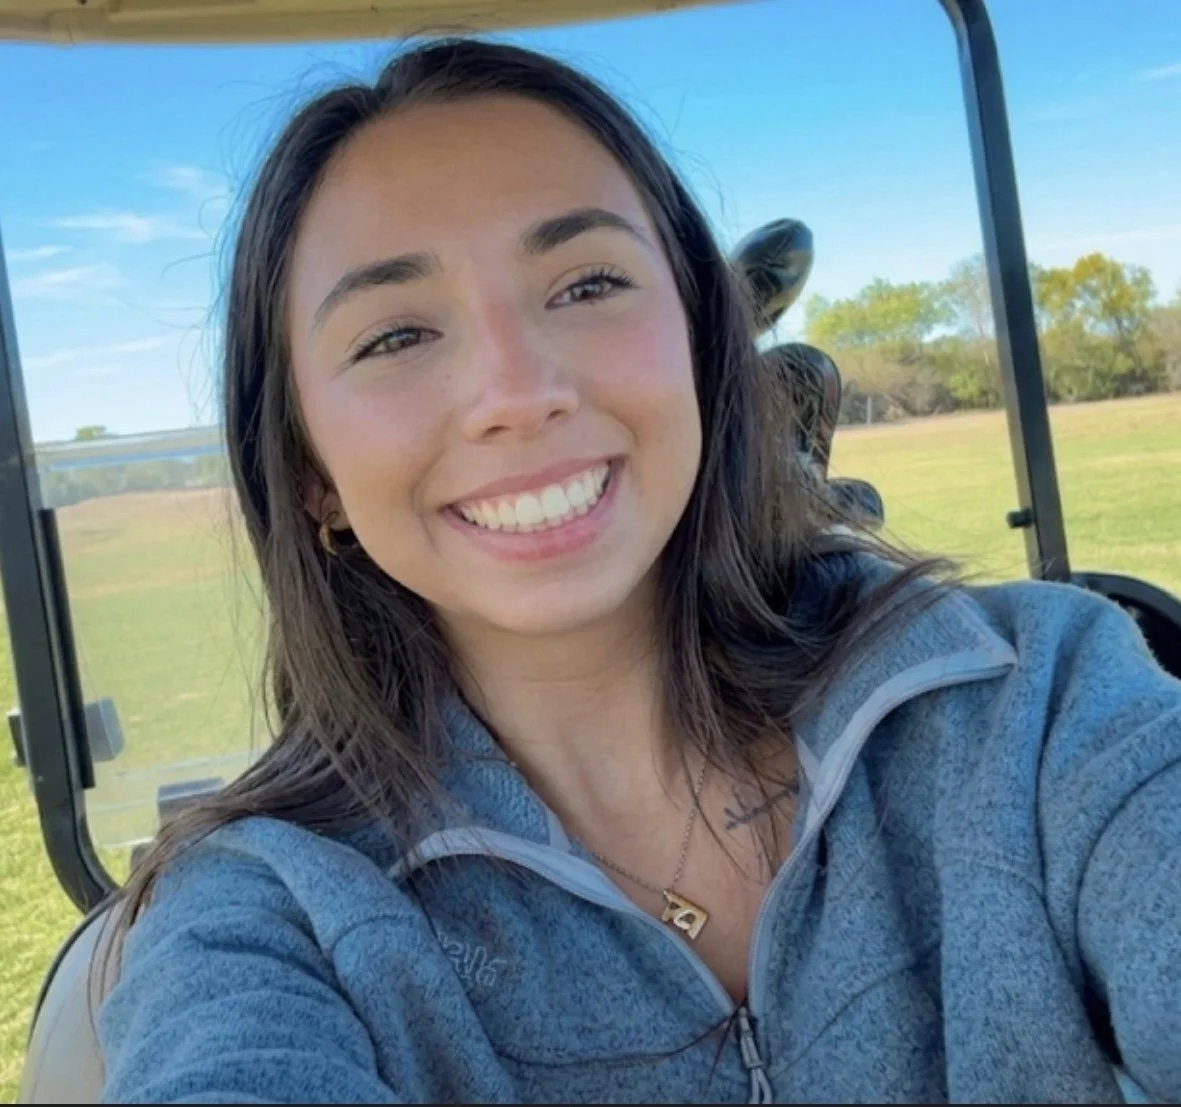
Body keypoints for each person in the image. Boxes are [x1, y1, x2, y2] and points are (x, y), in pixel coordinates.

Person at [96, 37, 1181, 1104]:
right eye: (394, 336)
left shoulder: (1036, 697)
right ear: (312, 476)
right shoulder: (265, 915)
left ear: (705, 345)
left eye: (586, 283)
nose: (518, 392)